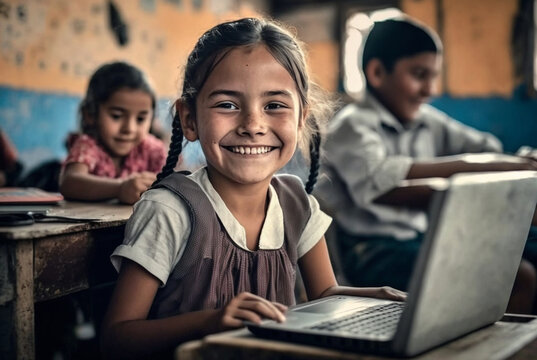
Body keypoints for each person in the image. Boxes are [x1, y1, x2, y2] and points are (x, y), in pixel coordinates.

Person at [100, 18, 406, 359]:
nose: (253, 126)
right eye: (227, 105)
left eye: (274, 105)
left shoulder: (297, 206)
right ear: (189, 119)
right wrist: (208, 323)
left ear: (301, 119)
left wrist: (375, 296)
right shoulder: (170, 211)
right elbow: (116, 339)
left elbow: (326, 295)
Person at [315, 17, 537, 312]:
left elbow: (487, 148)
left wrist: (517, 162)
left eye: (434, 76)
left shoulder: (427, 120)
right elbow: (379, 183)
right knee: (516, 275)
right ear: (378, 73)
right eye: (420, 75)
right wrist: (495, 166)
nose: (429, 90)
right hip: (372, 252)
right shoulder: (352, 126)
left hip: (421, 240)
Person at [59, 61, 167, 204]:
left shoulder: (154, 150)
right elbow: (69, 183)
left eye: (140, 119)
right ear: (90, 114)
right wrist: (120, 189)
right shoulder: (88, 145)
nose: (129, 128)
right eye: (116, 116)